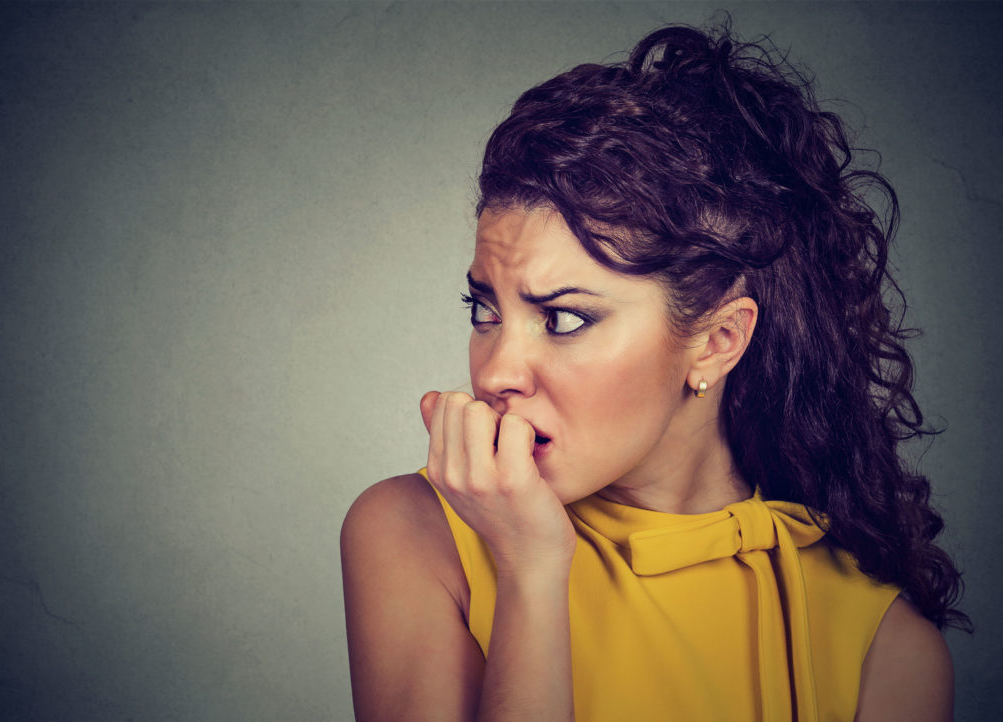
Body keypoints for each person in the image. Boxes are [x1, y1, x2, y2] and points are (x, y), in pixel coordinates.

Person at [341, 22, 968, 722]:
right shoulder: (414, 533)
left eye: (565, 318)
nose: (496, 373)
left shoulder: (884, 652)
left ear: (717, 342)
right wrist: (531, 574)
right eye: (484, 308)